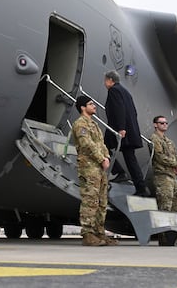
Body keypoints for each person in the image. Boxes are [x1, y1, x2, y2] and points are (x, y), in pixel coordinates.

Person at [72, 95, 117, 246]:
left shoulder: (95, 125)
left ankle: (99, 233)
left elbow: (101, 144)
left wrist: (107, 156)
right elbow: (87, 144)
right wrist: (101, 159)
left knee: (102, 201)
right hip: (89, 167)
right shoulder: (80, 124)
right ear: (83, 107)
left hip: (99, 168)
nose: (94, 106)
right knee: (90, 200)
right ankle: (87, 234)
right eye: (91, 104)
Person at [103, 70, 151, 196]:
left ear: (110, 80)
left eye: (105, 80)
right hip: (130, 130)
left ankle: (120, 172)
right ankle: (141, 187)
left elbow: (119, 109)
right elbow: (134, 112)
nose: (104, 83)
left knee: (102, 146)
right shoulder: (126, 92)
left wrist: (121, 128)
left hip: (119, 129)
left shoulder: (113, 90)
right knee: (130, 159)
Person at [151, 115, 177, 246]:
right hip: (162, 175)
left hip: (172, 176)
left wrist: (176, 165)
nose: (164, 125)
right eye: (161, 123)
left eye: (166, 123)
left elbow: (175, 156)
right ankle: (163, 236)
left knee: (175, 205)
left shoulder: (169, 141)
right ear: (155, 125)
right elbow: (159, 156)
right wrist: (175, 164)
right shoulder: (154, 139)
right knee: (165, 207)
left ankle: (173, 235)